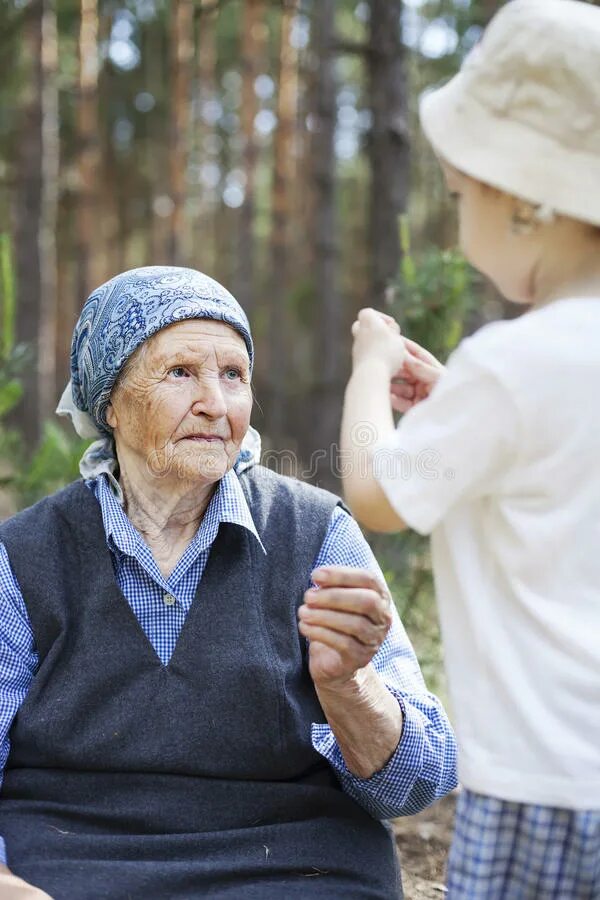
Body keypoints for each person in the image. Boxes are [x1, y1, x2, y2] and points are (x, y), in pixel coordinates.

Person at [0, 265, 456, 899]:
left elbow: (418, 782)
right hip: (71, 863)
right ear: (109, 400)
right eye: (181, 373)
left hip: (291, 869)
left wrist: (349, 686)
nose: (215, 403)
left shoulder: (316, 533)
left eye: (234, 376)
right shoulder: (25, 555)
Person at [340, 1, 600, 897]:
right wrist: (461, 404)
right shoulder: (539, 369)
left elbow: (375, 492)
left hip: (543, 785)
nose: (456, 222)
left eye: (460, 198)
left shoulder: (511, 364)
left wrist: (372, 370)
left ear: (526, 201)